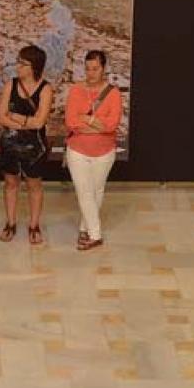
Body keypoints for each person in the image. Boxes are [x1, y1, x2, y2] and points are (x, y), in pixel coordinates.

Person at [64, 50, 122, 250]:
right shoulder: (76, 90)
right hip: (78, 150)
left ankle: (85, 228)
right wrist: (98, 124)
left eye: (95, 69)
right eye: (88, 69)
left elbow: (111, 125)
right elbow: (71, 122)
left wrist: (87, 119)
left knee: (96, 191)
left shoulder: (113, 93)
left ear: (103, 69)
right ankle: (96, 235)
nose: (91, 73)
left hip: (104, 151)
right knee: (84, 192)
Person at [0, 45, 53, 245]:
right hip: (10, 144)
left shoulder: (45, 89)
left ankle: (34, 225)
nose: (18, 66)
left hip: (34, 148)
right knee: (11, 182)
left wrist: (17, 117)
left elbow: (40, 122)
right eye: (18, 61)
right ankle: (10, 223)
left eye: (23, 63)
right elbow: (1, 117)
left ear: (34, 66)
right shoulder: (10, 85)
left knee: (34, 184)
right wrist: (25, 123)